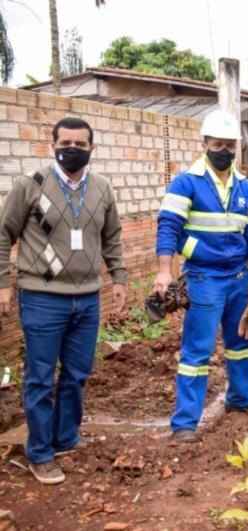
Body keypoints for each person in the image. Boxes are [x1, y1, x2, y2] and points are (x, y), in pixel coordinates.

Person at [0, 117, 127, 484]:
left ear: (92, 148)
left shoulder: (102, 188)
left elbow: (113, 237)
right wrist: (4, 283)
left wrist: (118, 276)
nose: (72, 149)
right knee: (40, 377)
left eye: (80, 144)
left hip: (87, 299)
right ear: (52, 144)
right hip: (42, 298)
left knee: (77, 374)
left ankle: (65, 436)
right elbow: (3, 234)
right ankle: (39, 453)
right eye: (65, 142)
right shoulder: (30, 186)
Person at [155, 109, 248, 444]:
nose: (225, 151)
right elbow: (168, 227)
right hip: (203, 279)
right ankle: (185, 422)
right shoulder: (186, 183)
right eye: (218, 144)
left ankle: (242, 397)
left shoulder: (245, 188)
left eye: (230, 145)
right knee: (197, 351)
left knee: (241, 343)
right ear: (204, 143)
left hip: (237, 278)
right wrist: (164, 270)